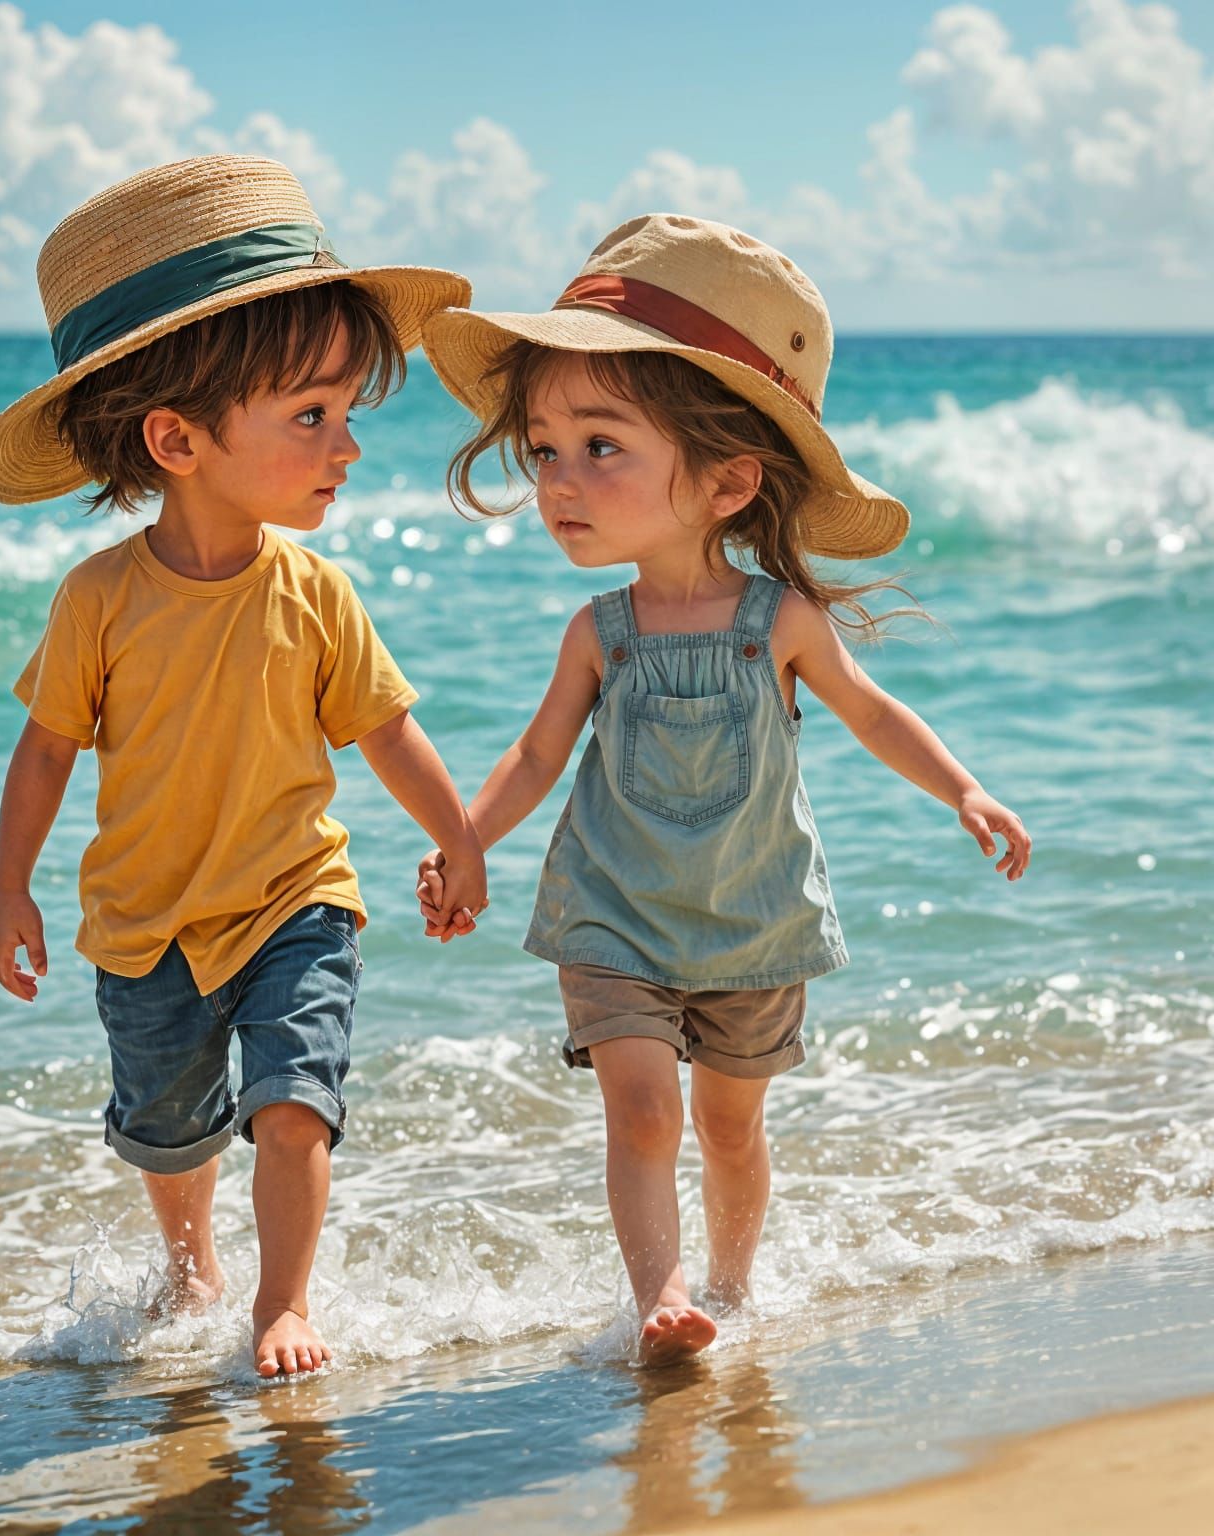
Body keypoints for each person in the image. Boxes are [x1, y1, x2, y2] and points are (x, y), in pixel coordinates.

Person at [416, 215, 1030, 1365]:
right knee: (644, 1110)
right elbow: (539, 756)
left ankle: (734, 1292)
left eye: (601, 447)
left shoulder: (779, 622)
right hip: (616, 917)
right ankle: (663, 1299)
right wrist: (466, 842)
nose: (559, 481)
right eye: (544, 450)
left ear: (729, 479)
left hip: (753, 917)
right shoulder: (597, 633)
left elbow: (873, 713)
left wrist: (966, 791)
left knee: (731, 1129)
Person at [0, 156, 487, 1378]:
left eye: (349, 413)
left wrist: (458, 834)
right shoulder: (99, 600)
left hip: (294, 899)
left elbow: (384, 730)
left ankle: (282, 1306)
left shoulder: (315, 591)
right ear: (178, 439)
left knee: (294, 1099)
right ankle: (192, 1263)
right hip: (145, 923)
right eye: (311, 416)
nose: (347, 446)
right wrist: (10, 888)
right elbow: (46, 747)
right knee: (167, 1132)